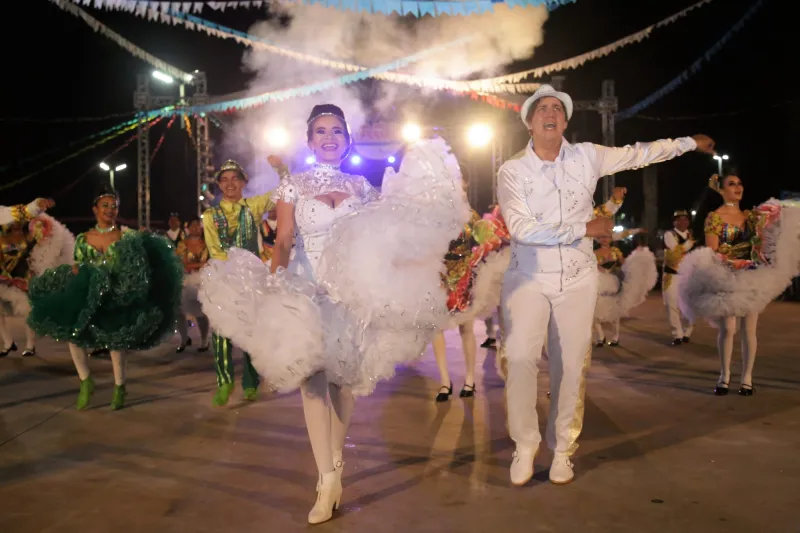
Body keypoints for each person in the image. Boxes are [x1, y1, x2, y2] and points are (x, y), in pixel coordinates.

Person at [199, 104, 469, 524]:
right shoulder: (293, 185)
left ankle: (336, 465)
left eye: (337, 131)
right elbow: (283, 240)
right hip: (306, 289)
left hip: (351, 294)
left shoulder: (363, 187)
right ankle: (325, 480)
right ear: (310, 141)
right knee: (312, 381)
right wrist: (277, 282)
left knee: (344, 383)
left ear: (348, 140)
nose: (329, 138)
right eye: (321, 131)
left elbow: (383, 239)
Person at [497, 83, 715, 486]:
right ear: (529, 122)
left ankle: (562, 449)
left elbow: (639, 153)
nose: (550, 113)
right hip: (528, 276)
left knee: (571, 364)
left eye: (557, 109)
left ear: (565, 121)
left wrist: (687, 143)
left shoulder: (587, 156)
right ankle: (524, 444)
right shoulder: (513, 170)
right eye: (542, 108)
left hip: (578, 277)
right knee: (522, 359)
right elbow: (522, 229)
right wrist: (586, 228)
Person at [27, 184, 182, 410]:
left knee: (115, 342)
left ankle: (120, 387)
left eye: (114, 206)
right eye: (105, 205)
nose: (110, 210)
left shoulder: (126, 237)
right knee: (74, 335)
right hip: (87, 293)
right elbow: (78, 266)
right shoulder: (82, 239)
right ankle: (85, 381)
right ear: (95, 209)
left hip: (116, 294)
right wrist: (75, 274)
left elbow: (138, 266)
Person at [678, 173, 800, 396]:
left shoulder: (751, 216)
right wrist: (733, 263)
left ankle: (747, 378)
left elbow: (763, 241)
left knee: (749, 329)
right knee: (728, 329)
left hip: (751, 277)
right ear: (721, 190)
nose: (738, 187)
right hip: (726, 275)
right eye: (731, 184)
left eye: (740, 183)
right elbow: (712, 251)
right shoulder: (714, 217)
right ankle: (724, 376)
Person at [201, 160, 275, 406]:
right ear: (219, 184)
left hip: (252, 279)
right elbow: (215, 250)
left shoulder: (253, 206)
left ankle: (251, 382)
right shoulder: (210, 215)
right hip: (223, 277)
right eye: (224, 180)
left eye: (235, 179)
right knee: (220, 329)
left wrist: (281, 169)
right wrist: (232, 274)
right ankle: (224, 382)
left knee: (251, 330)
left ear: (244, 182)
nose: (230, 184)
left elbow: (282, 193)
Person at [0, 215, 74, 357]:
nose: (17, 221)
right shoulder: (2, 237)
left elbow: (44, 245)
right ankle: (8, 342)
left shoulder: (30, 235)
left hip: (23, 278)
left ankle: (30, 345)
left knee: (27, 310)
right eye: (14, 218)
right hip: (4, 277)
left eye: (19, 218)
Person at [175, 217, 210, 353]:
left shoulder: (207, 243)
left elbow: (210, 262)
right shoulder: (182, 244)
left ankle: (204, 340)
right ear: (188, 228)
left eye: (198, 225)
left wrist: (198, 266)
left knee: (201, 311)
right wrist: (199, 265)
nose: (196, 228)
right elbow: (182, 263)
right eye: (193, 225)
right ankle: (184, 339)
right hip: (185, 279)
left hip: (203, 280)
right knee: (179, 310)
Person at [662, 210, 695, 345]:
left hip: (689, 275)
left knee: (690, 305)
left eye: (685, 219)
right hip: (672, 275)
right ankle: (677, 334)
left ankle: (687, 332)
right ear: (674, 222)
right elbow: (676, 250)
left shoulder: (691, 235)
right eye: (679, 219)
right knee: (672, 304)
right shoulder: (669, 234)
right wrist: (690, 243)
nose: (683, 222)